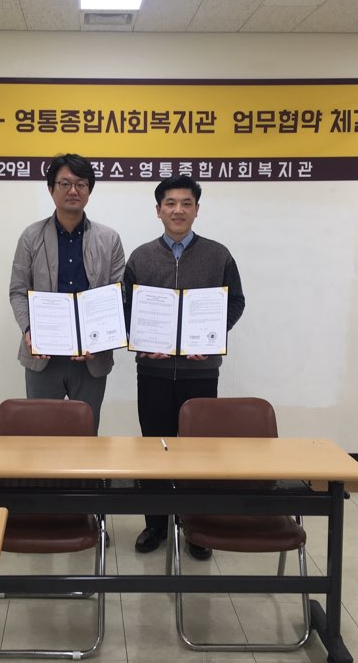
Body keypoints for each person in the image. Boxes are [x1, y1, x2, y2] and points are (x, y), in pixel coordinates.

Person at [123, 174, 246, 559]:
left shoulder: (218, 255)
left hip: (201, 372)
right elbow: (125, 308)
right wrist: (141, 341)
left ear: (196, 209)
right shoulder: (141, 257)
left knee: (199, 452)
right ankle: (155, 524)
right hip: (153, 373)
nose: (178, 210)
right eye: (170, 203)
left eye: (186, 203)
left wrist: (211, 336)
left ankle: (197, 528)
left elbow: (236, 302)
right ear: (158, 210)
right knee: (154, 448)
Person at [9, 153, 125, 429]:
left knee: (86, 431)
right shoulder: (31, 237)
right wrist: (29, 330)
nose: (73, 190)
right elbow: (18, 291)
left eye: (81, 184)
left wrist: (99, 340)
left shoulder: (109, 239)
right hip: (43, 357)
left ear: (89, 190)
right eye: (65, 183)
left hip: (91, 358)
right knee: (41, 432)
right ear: (51, 189)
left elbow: (119, 295)